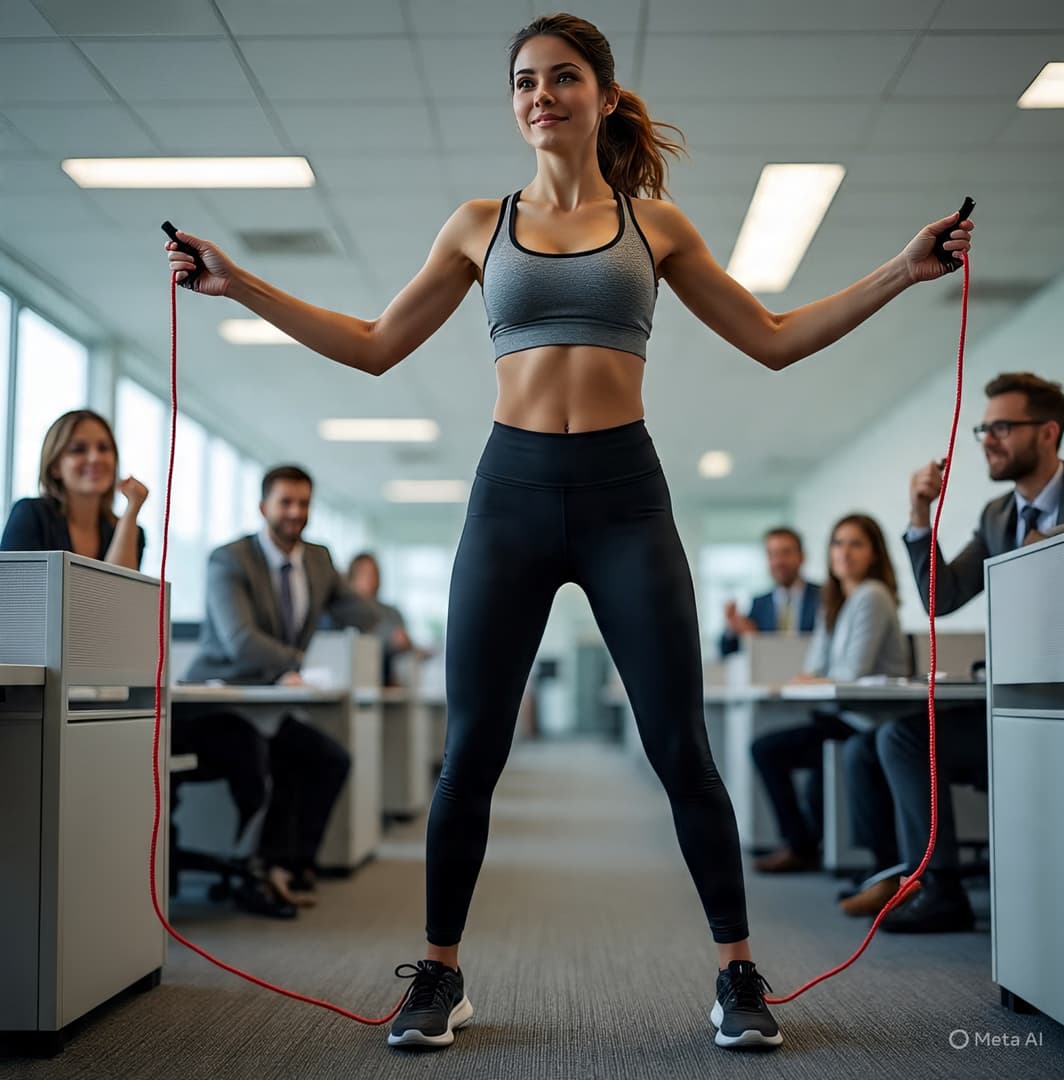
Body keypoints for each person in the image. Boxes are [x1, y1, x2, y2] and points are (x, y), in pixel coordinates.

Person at [163, 12, 973, 1051]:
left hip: (625, 496)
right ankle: (439, 977)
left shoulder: (656, 225)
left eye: (560, 78)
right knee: (471, 753)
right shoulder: (475, 222)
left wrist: (904, 270)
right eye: (523, 82)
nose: (540, 95)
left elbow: (773, 340)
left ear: (599, 94)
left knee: (680, 745)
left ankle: (738, 975)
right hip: (510, 494)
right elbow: (372, 347)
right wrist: (241, 284)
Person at [842, 372, 1064, 931]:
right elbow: (940, 598)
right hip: (1012, 703)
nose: (987, 440)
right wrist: (919, 513)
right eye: (983, 427)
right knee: (900, 734)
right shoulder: (998, 516)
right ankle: (939, 888)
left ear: (1048, 433)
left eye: (1002, 426)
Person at [173, 465, 379, 918]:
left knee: (329, 758)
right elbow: (239, 641)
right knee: (261, 757)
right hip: (216, 700)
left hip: (271, 704)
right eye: (285, 502)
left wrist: (346, 598)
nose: (295, 512)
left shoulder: (318, 561)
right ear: (263, 506)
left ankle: (291, 864)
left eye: (303, 503)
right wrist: (297, 661)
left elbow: (363, 615)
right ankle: (256, 874)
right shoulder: (230, 560)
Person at [750, 515, 908, 873]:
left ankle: (804, 846)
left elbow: (850, 674)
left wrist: (812, 678)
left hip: (871, 719)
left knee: (770, 750)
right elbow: (814, 664)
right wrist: (811, 677)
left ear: (874, 553)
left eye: (856, 544)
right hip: (841, 714)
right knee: (769, 749)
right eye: (838, 543)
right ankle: (802, 843)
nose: (844, 552)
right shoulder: (834, 600)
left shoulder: (872, 595)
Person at [1, 409, 147, 569]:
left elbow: (119, 592)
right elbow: (11, 590)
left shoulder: (131, 532)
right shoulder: (31, 514)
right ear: (55, 466)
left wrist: (132, 511)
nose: (95, 458)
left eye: (104, 448)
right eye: (78, 449)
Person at [720, 527, 819, 657]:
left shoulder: (824, 597)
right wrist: (732, 627)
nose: (779, 561)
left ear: (802, 557)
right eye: (773, 554)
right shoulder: (759, 604)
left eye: (786, 553)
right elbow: (727, 651)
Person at [348, 552, 431, 685]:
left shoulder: (392, 613)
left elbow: (407, 646)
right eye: (364, 573)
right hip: (357, 681)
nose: (370, 579)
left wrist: (407, 644)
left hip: (392, 682)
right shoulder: (343, 613)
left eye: (374, 573)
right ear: (351, 578)